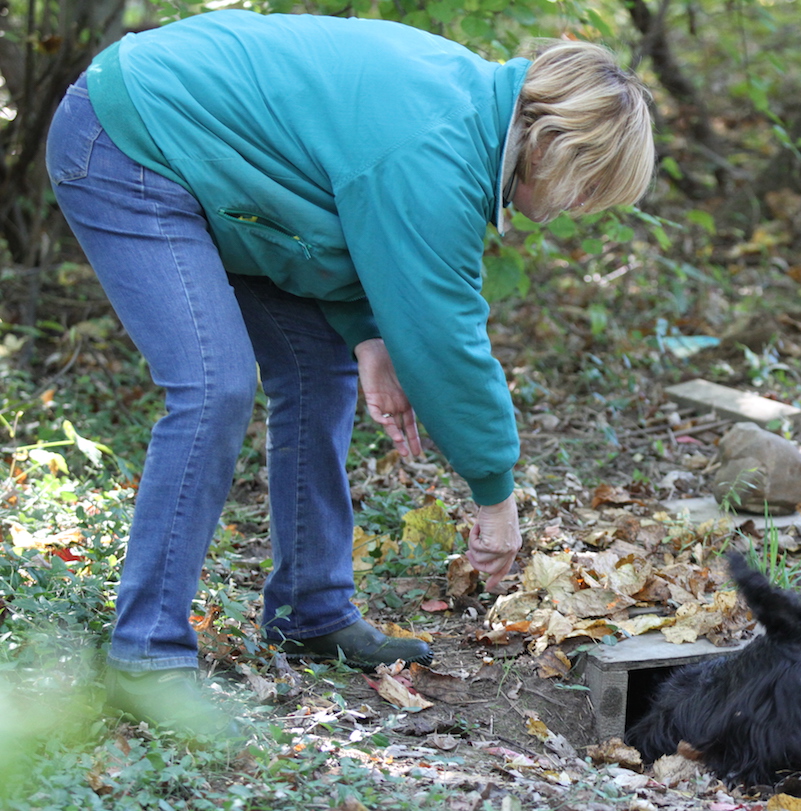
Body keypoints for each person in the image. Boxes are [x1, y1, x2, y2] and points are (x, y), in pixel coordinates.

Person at [45, 9, 654, 740]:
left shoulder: (465, 109)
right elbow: (444, 338)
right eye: (587, 191)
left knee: (320, 368)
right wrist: (494, 492)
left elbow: (324, 201)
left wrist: (368, 336)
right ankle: (146, 658)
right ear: (559, 146)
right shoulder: (441, 144)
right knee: (214, 384)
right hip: (129, 138)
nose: (575, 212)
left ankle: (313, 610)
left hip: (230, 177)